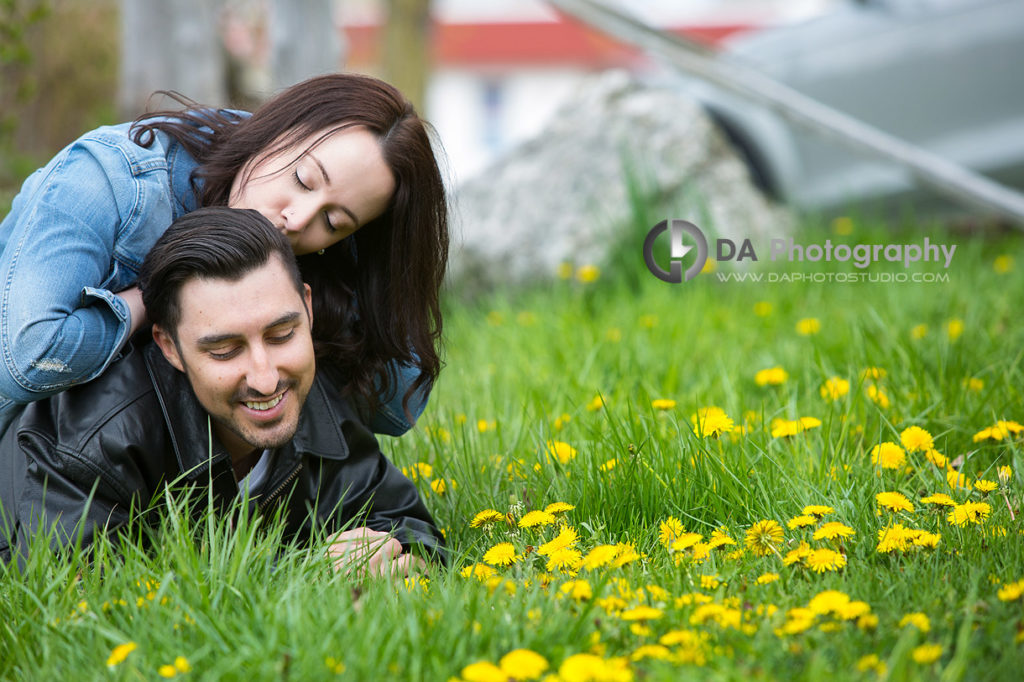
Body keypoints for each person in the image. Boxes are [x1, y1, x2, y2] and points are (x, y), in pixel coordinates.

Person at [0, 72, 447, 439]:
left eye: (334, 221)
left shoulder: (316, 252)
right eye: (304, 180)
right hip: (29, 462)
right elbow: (26, 360)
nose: (296, 218)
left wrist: (367, 259)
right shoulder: (114, 182)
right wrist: (153, 299)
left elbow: (396, 410)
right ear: (277, 129)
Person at [0, 207, 444, 571]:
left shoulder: (316, 398)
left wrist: (399, 563)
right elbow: (80, 598)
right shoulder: (95, 444)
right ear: (169, 347)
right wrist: (306, 573)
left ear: (307, 309)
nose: (267, 377)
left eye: (281, 334)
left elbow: (410, 528)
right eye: (225, 350)